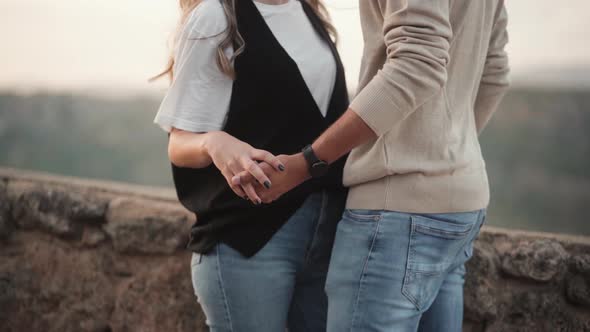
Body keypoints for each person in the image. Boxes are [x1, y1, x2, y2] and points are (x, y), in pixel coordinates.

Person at [232, 0, 511, 331]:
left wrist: (307, 163)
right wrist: (444, 150)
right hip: (462, 204)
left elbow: (417, 66)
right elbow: (494, 72)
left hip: (396, 212)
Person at [152, 0, 349, 331]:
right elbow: (179, 143)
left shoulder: (307, 8)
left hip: (327, 236)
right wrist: (214, 142)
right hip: (249, 243)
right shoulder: (216, 16)